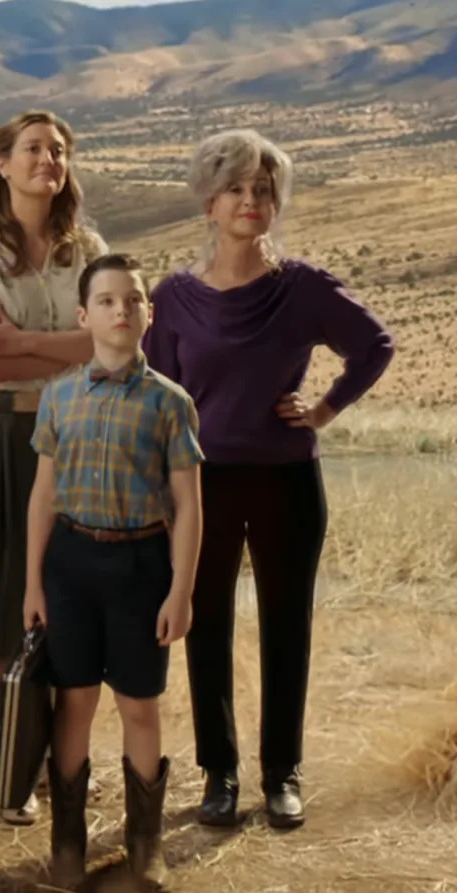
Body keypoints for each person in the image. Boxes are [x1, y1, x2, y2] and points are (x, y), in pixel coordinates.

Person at [144, 129, 394, 830]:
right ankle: (218, 774)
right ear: (210, 202)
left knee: (287, 626)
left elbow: (375, 345)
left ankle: (282, 772)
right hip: (202, 485)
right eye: (236, 189)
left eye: (263, 190)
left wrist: (322, 409)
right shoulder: (174, 297)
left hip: (287, 480)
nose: (251, 201)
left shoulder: (303, 287)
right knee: (206, 624)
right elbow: (154, 391)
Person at [24, 253, 203, 890]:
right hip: (71, 563)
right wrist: (33, 584)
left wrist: (180, 590)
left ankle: (143, 843)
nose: (120, 310)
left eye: (133, 299)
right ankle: (67, 843)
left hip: (140, 566)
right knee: (74, 701)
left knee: (139, 705)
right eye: (106, 300)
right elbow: (43, 496)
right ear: (84, 315)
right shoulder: (59, 396)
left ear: (148, 314)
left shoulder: (170, 404)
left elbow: (188, 506)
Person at [0, 108, 107, 824]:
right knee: (13, 600)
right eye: (35, 148)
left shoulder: (88, 249)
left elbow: (112, 344)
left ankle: (63, 764)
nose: (50, 158)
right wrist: (66, 345)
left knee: (73, 596)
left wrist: (35, 342)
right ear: (3, 164)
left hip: (80, 435)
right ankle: (16, 764)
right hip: (9, 437)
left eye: (60, 149)